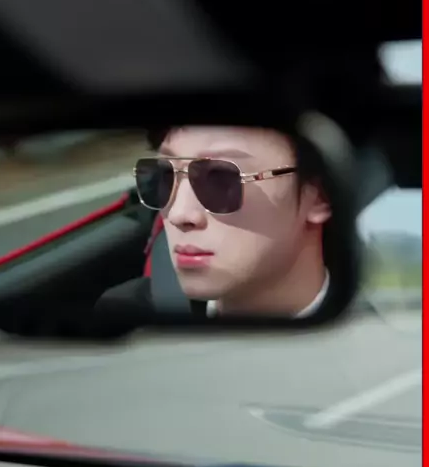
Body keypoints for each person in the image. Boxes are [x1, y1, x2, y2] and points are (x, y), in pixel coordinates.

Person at [92, 124, 332, 326]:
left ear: (319, 196)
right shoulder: (128, 319)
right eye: (166, 175)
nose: (178, 213)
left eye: (221, 179)